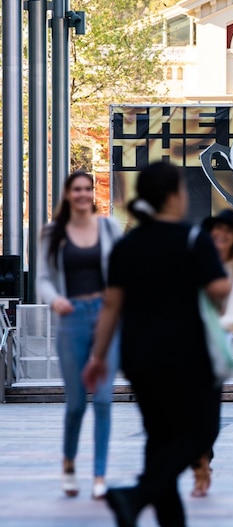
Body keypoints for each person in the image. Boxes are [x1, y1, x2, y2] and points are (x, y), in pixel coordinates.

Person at [83, 161, 229, 527]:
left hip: (140, 358)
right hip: (189, 358)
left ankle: (149, 508)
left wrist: (98, 357)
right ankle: (134, 495)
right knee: (202, 432)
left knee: (160, 441)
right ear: (172, 196)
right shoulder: (194, 239)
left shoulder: (126, 246)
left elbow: (111, 307)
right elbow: (218, 295)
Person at [36, 171, 124, 500]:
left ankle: (99, 474)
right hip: (71, 316)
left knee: (102, 400)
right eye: (77, 189)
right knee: (75, 404)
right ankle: (69, 464)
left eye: (88, 189)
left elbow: (121, 270)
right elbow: (43, 278)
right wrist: (54, 299)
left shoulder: (108, 227)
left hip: (105, 316)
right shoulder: (52, 233)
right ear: (67, 194)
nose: (84, 194)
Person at [189, 208, 233, 497]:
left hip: (214, 342)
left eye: (228, 232)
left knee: (209, 412)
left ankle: (205, 456)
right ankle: (198, 464)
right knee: (185, 409)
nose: (221, 236)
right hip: (185, 338)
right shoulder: (194, 253)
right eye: (217, 230)